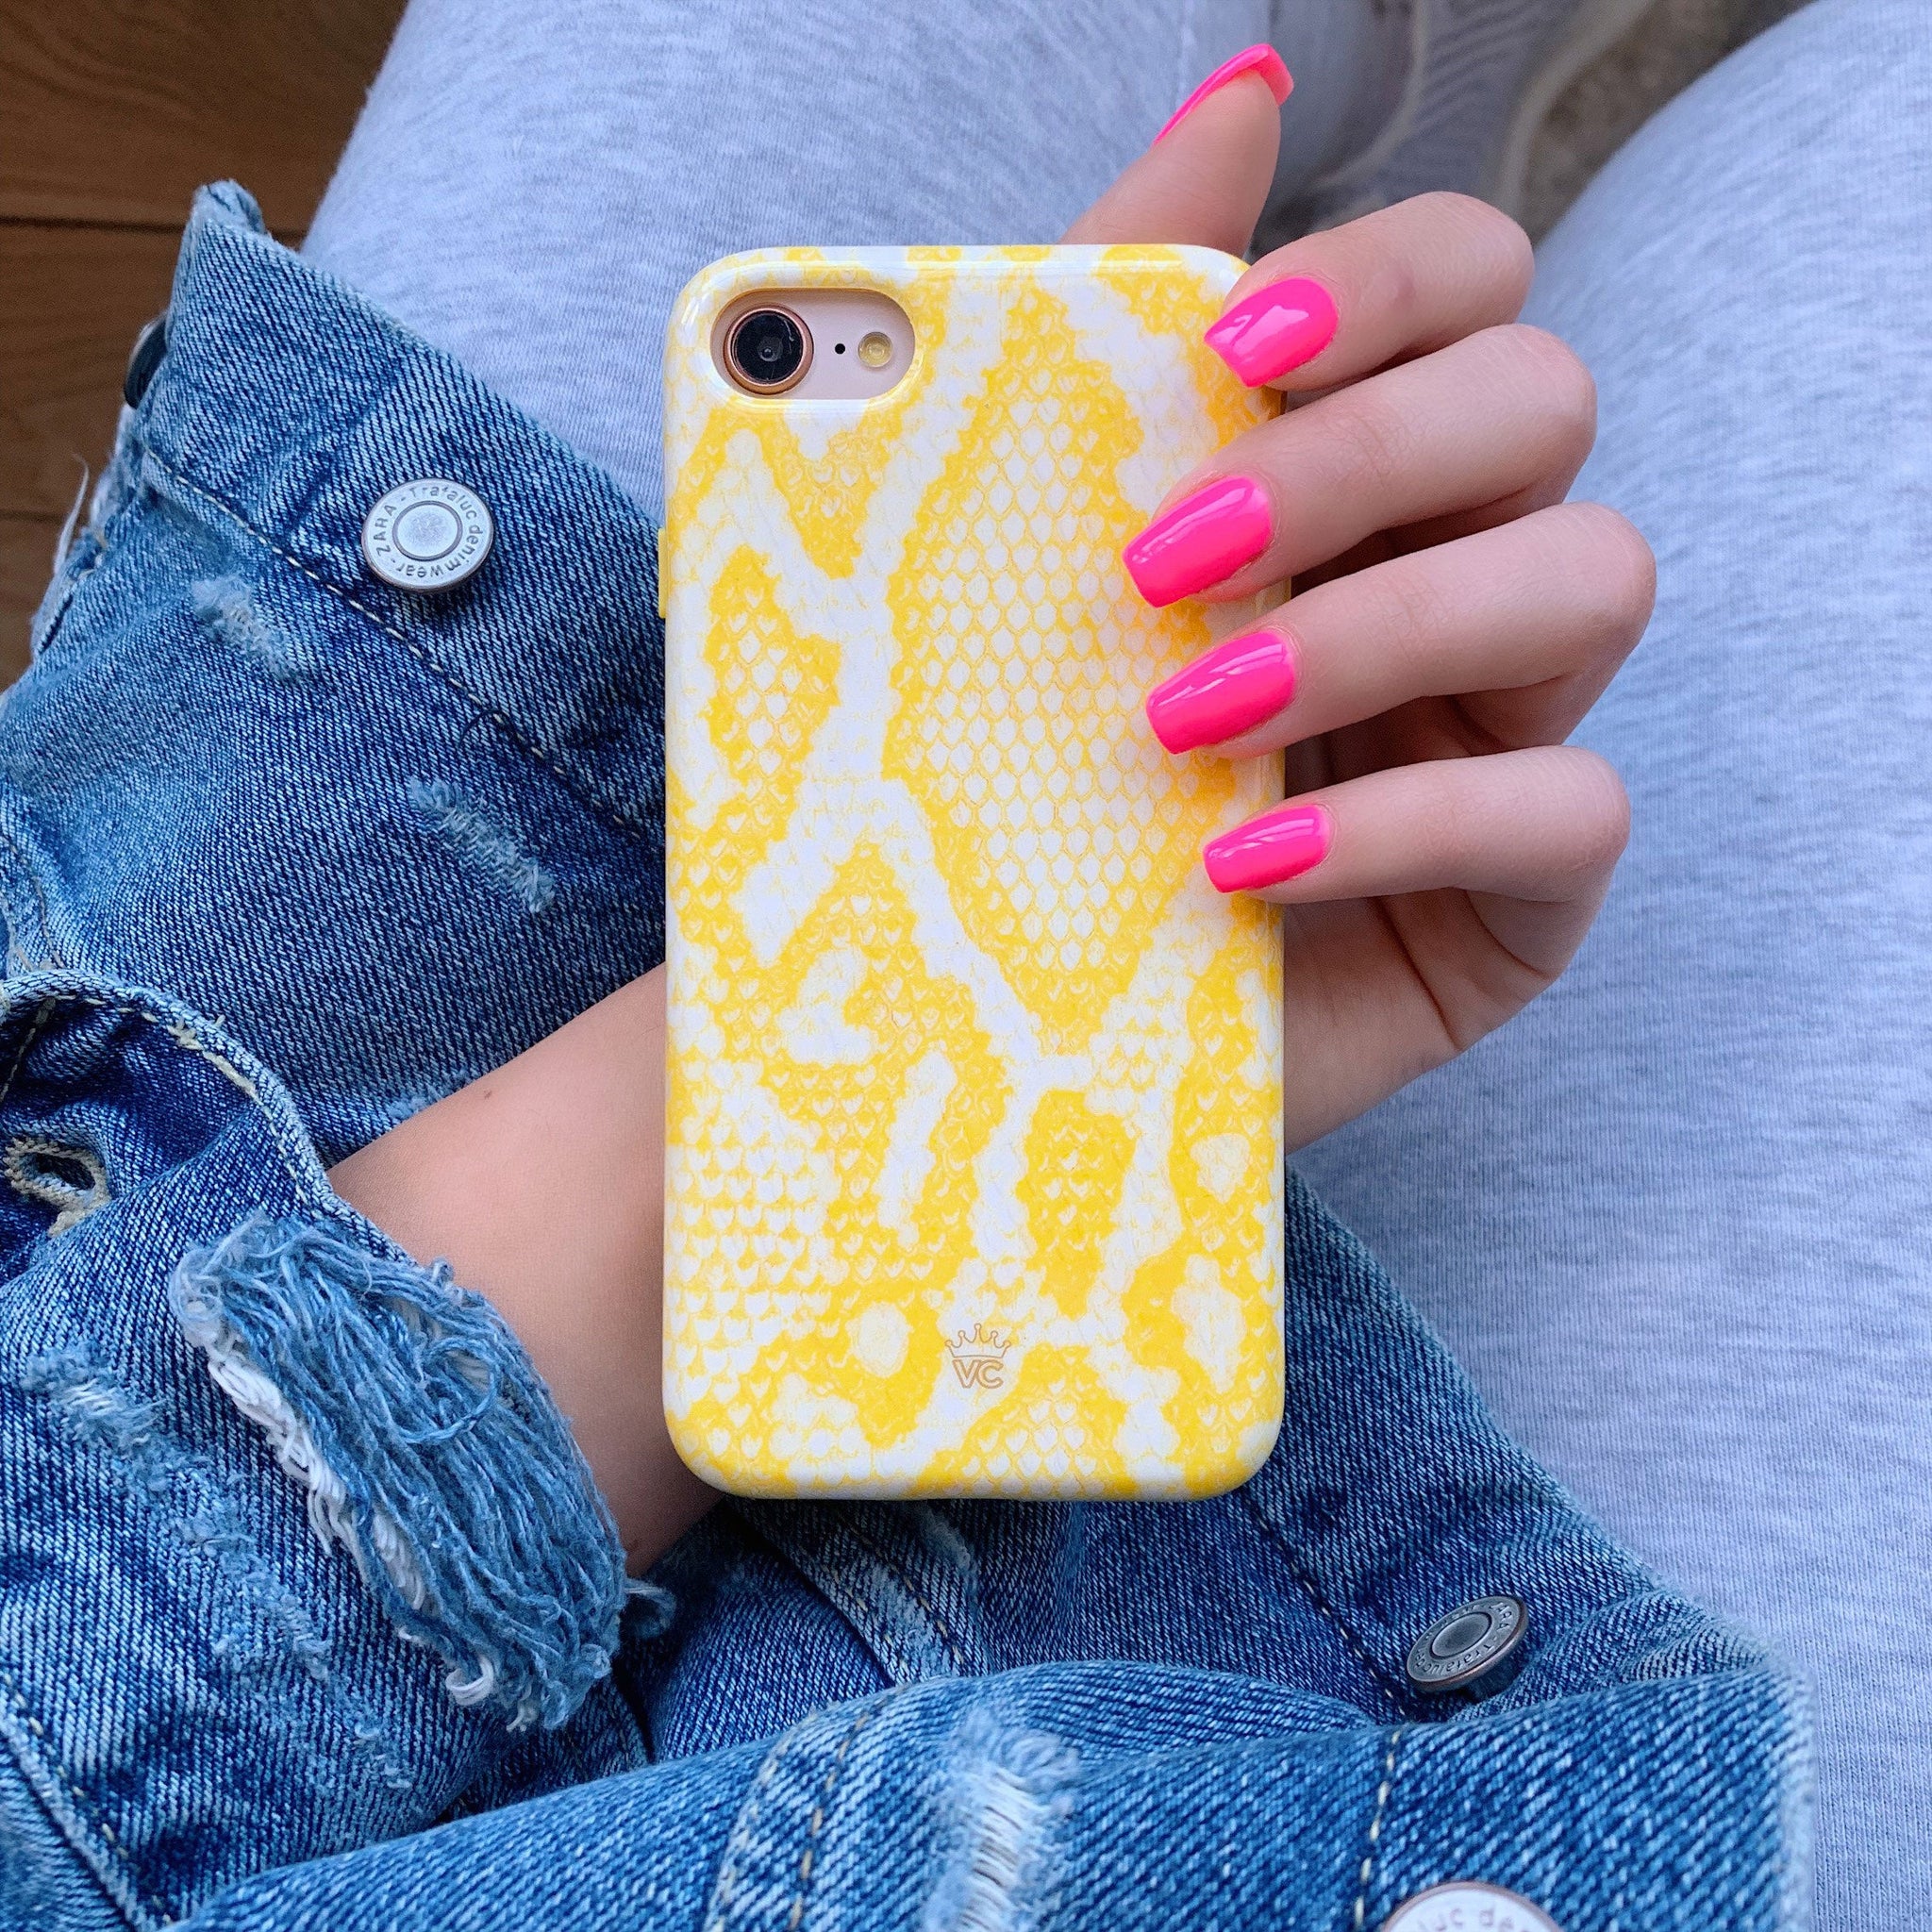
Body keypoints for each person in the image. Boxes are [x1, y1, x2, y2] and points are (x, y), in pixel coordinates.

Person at [0, 0, 1902, 1924]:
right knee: (1865, 148)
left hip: (222, 1056)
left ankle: (1416, 56)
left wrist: (756, 1104)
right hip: (1275, 1748)